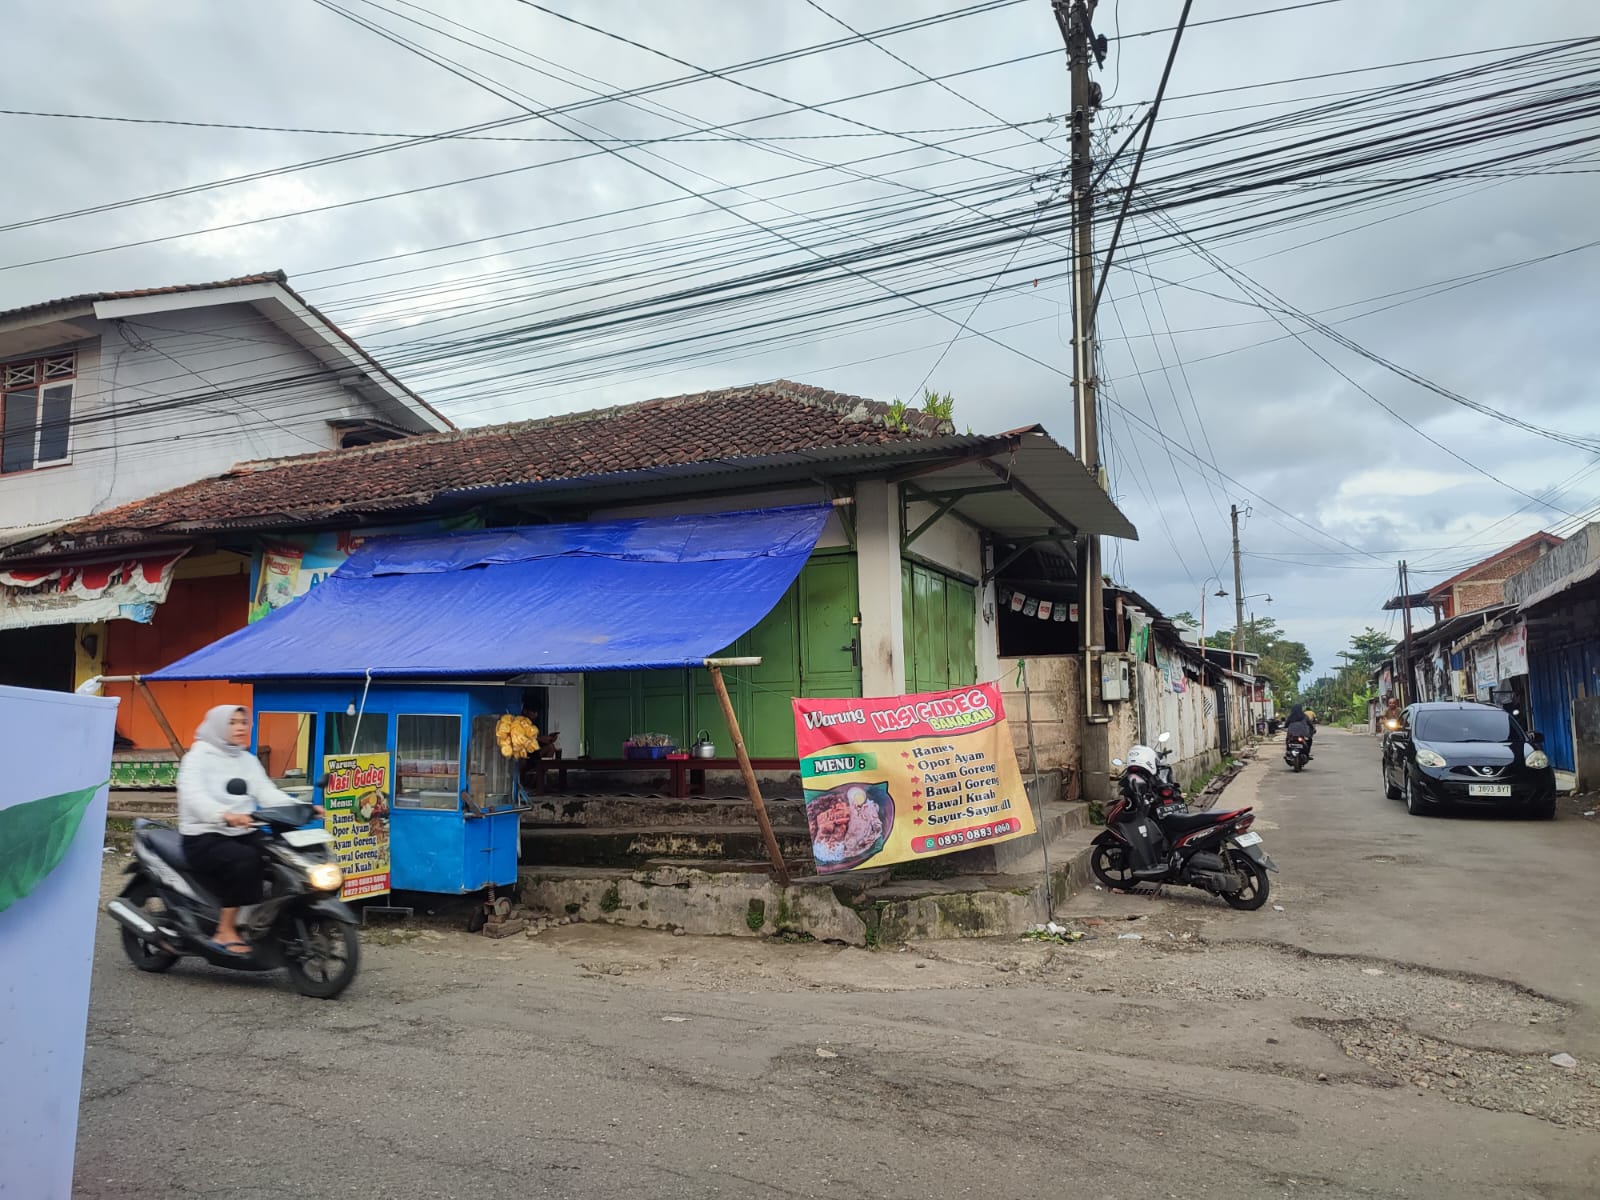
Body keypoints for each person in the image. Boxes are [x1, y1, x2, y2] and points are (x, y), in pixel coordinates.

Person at [177, 705, 300, 955]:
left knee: (281, 855)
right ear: (219, 726)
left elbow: (267, 793)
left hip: (242, 830)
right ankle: (224, 931)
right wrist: (224, 814)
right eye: (232, 722)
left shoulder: (246, 759)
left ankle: (261, 920)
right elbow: (193, 796)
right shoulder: (197, 757)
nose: (240, 727)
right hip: (203, 835)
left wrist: (302, 807)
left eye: (244, 722)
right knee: (245, 861)